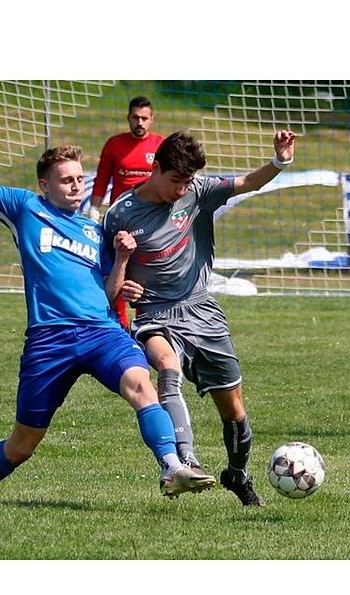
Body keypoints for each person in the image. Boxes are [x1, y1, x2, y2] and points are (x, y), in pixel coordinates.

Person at [0, 97, 215, 503]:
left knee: (143, 385)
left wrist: (122, 258)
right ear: (45, 185)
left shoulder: (94, 230)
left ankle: (171, 466)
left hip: (101, 332)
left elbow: (110, 292)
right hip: (49, 340)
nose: (77, 185)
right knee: (23, 444)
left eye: (80, 178)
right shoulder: (24, 208)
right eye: (67, 179)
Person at [103, 129, 297, 506]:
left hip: (202, 310)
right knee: (166, 366)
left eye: (187, 181)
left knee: (235, 410)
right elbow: (107, 283)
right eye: (175, 180)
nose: (181, 189)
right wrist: (123, 281)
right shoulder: (120, 215)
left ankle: (237, 474)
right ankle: (183, 461)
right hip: (154, 314)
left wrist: (280, 161)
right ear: (155, 169)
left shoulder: (199, 192)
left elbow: (248, 183)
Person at [89, 96, 164, 328]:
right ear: (128, 118)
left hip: (152, 222)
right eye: (135, 117)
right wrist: (93, 209)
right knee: (116, 271)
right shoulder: (114, 145)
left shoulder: (161, 145)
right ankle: (118, 325)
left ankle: (148, 324)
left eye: (144, 118)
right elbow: (101, 180)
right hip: (120, 223)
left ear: (152, 120)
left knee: (147, 275)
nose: (139, 122)